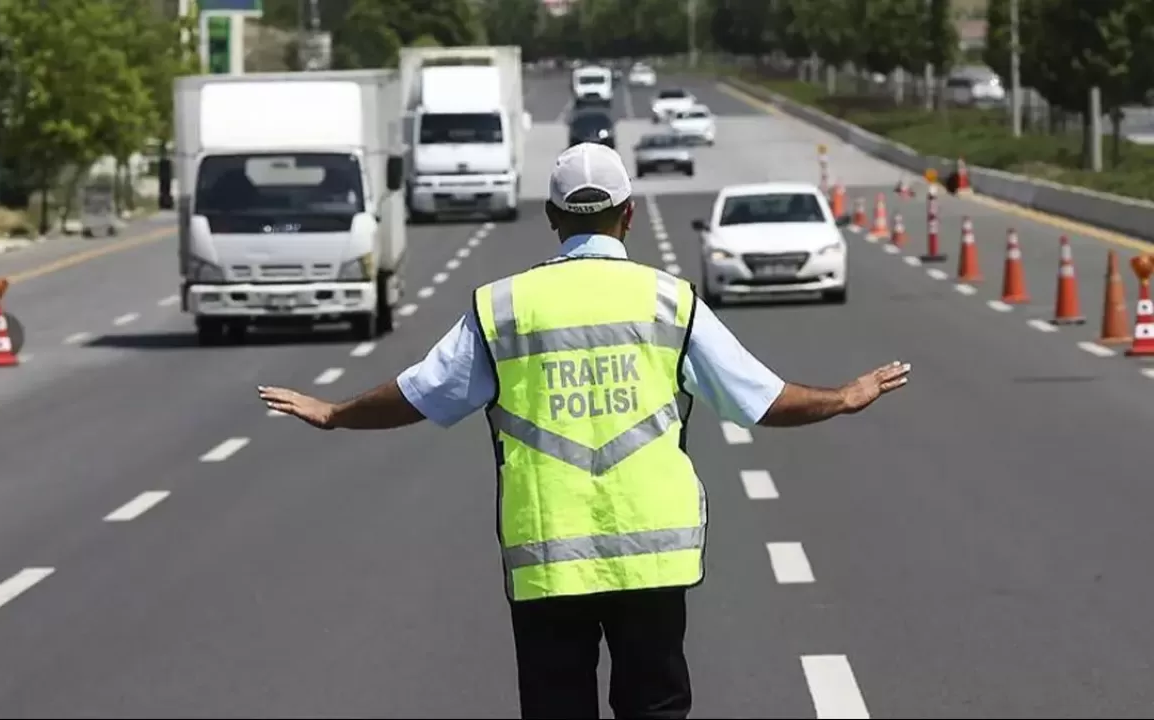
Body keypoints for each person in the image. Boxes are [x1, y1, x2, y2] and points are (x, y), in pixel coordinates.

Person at [258, 143, 911, 720]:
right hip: (652, 558)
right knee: (655, 707)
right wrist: (844, 397)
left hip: (548, 557)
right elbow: (760, 400)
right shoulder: (669, 301)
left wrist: (335, 412)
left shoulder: (505, 307)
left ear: (552, 218)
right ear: (627, 216)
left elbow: (421, 394)